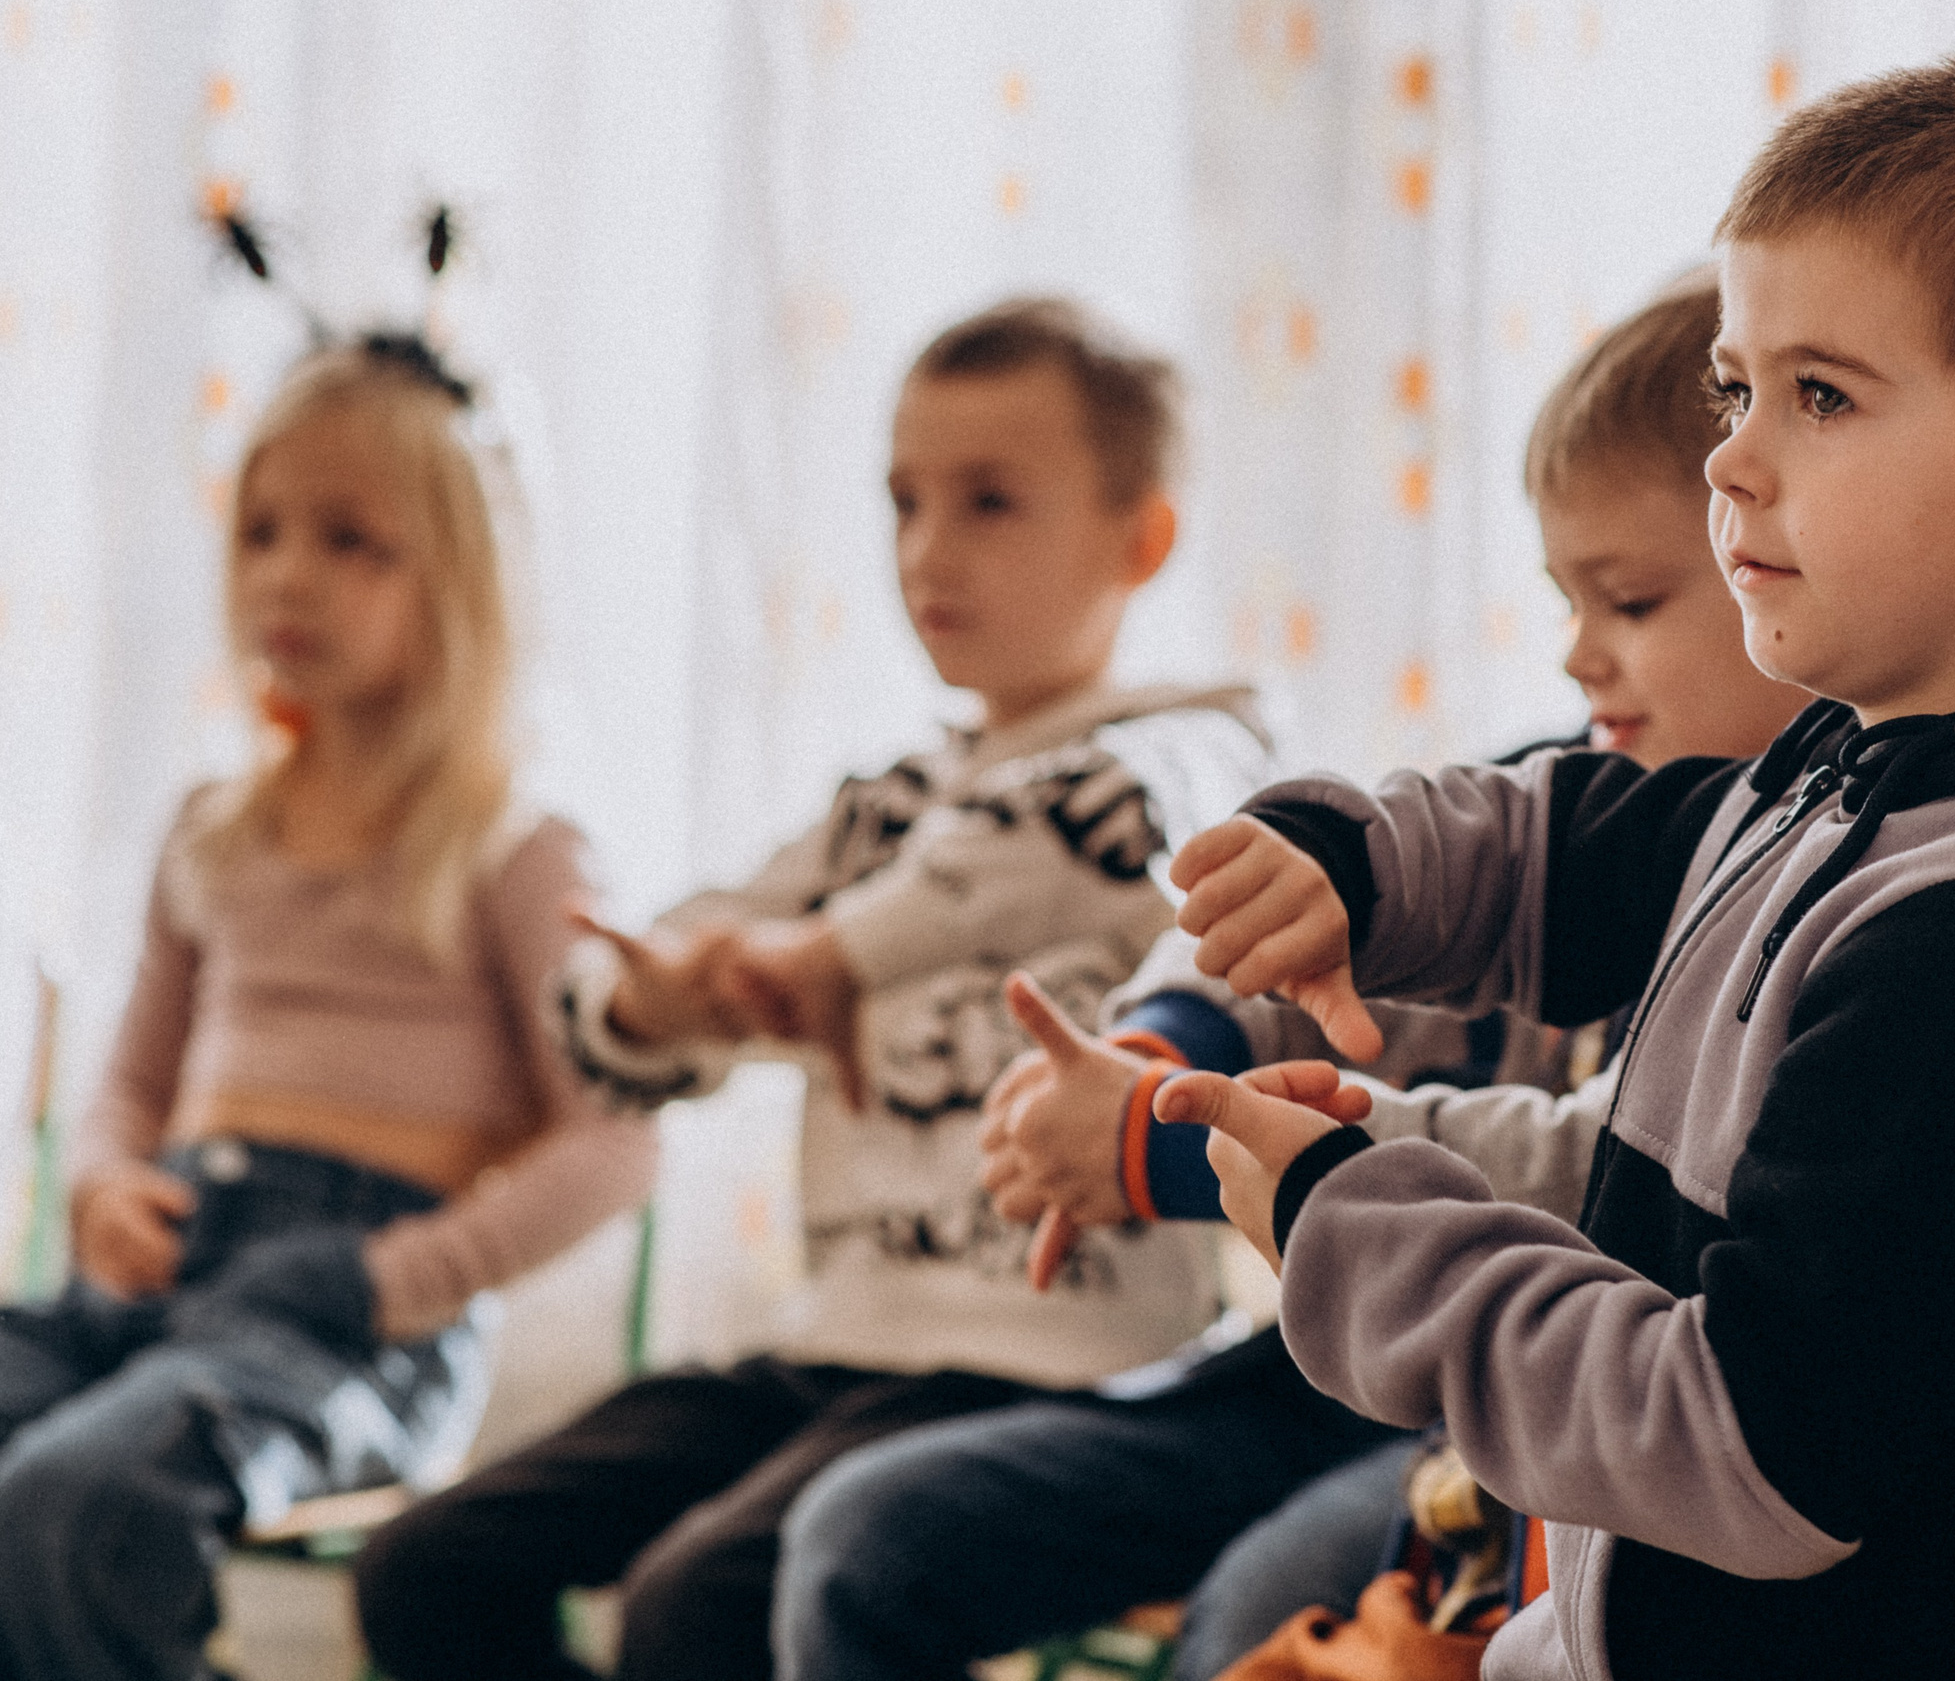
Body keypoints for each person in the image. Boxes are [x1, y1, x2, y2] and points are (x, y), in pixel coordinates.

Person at [1155, 51, 1955, 1679]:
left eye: (1823, 395)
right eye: (1739, 388)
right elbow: (1580, 847)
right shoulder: (1860, 790)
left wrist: (1368, 1238)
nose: (1730, 458)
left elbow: (1755, 1457)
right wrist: (1354, 869)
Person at [768, 282, 1810, 1681]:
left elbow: (1592, 1169)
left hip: (1522, 1407)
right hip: (1322, 1355)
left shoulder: (1817, 890)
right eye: (1566, 597)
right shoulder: (1546, 792)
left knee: (1260, 1627)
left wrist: (1176, 1140)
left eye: (1629, 599)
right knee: (864, 1538)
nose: (1577, 651)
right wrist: (1156, 1044)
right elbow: (1277, 921)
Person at [356, 298, 1274, 1681]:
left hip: (1046, 1378)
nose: (927, 550)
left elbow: (1044, 837)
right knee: (429, 1566)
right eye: (904, 502)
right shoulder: (879, 807)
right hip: (837, 1350)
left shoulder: (1193, 754)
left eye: (990, 503)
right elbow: (631, 995)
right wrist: (657, 1006)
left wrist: (826, 962)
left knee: (698, 1606)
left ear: (1139, 539)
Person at [0, 338, 658, 1681]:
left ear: (463, 585)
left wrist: (393, 1277)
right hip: (159, 1268)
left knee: (75, 1511)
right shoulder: (213, 833)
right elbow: (130, 1085)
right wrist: (109, 1181)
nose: (288, 575)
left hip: (346, 1309)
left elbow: (615, 1147)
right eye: (261, 533)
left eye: (354, 542)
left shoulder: (515, 849)